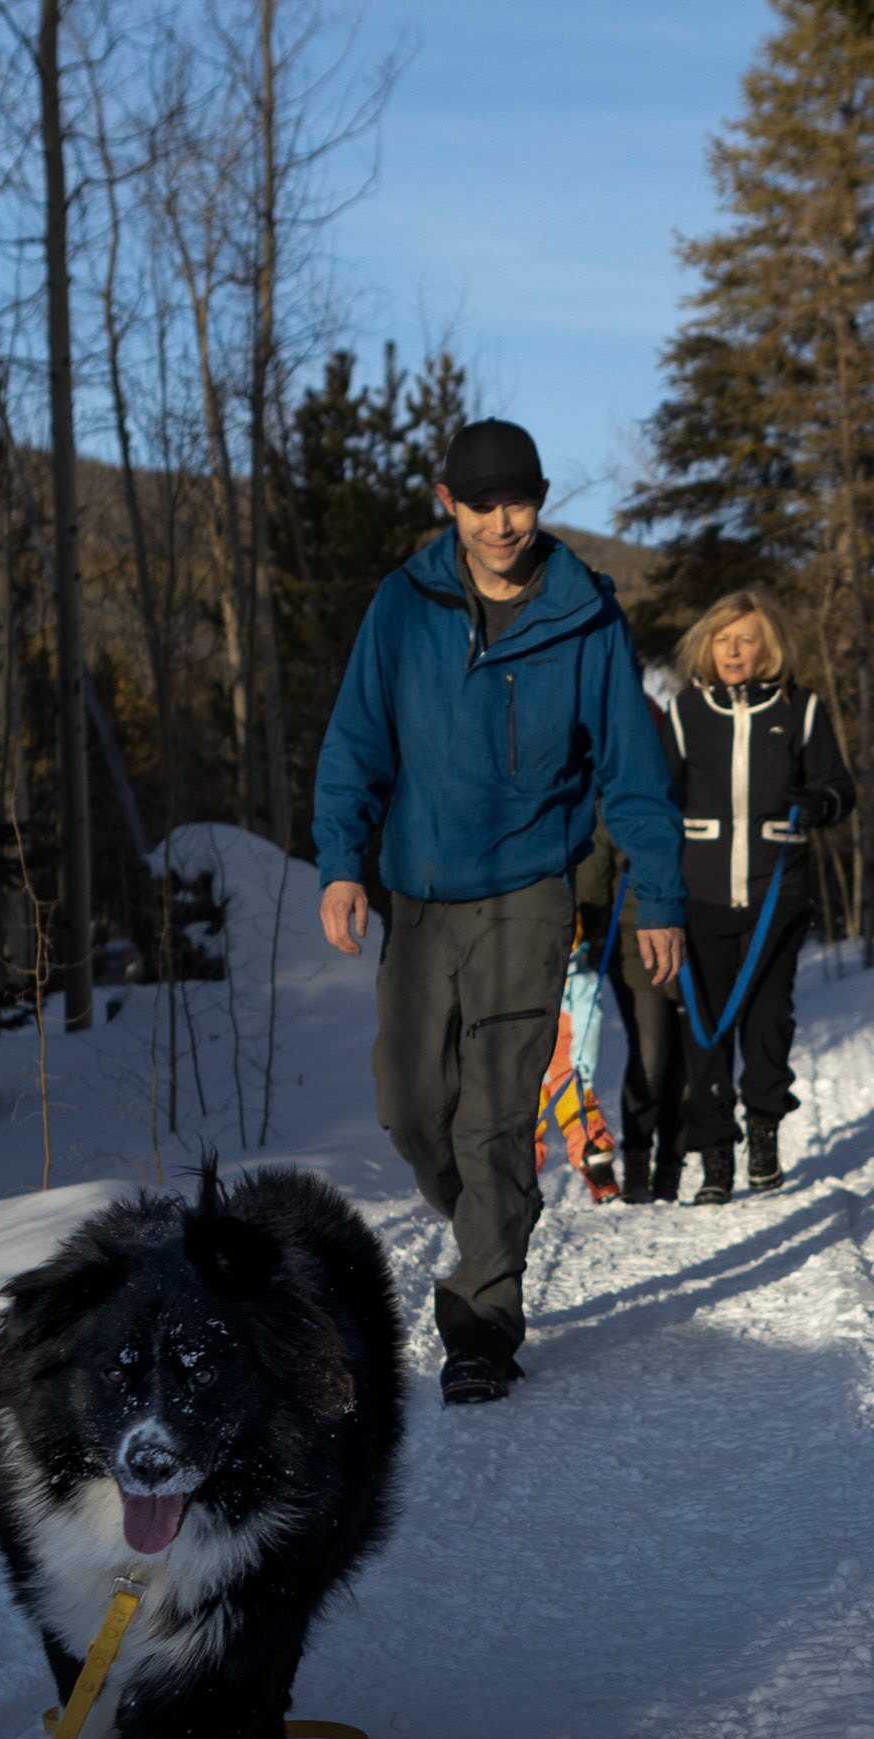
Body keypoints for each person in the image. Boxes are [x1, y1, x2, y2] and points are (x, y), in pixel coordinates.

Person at [313, 417, 686, 1405]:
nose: (503, 523)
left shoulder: (586, 616)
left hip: (530, 892)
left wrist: (656, 890)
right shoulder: (404, 605)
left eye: (519, 501)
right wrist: (342, 863)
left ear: (542, 498)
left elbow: (633, 770)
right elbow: (357, 739)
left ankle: (482, 1319)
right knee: (407, 1101)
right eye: (482, 504)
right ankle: (492, 1217)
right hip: (421, 894)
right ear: (450, 504)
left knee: (496, 1112)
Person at [661, 589, 855, 1204]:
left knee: (769, 1024)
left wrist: (818, 802)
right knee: (705, 1029)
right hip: (702, 896)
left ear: (768, 646)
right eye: (723, 639)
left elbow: (839, 789)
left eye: (746, 639)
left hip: (777, 893)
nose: (734, 650)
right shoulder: (686, 713)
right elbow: (658, 800)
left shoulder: (801, 709)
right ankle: (716, 1158)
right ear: (707, 646)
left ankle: (764, 1134)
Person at [575, 811, 686, 1202]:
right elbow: (595, 865)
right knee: (651, 1057)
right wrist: (590, 928)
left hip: (697, 931)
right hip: (634, 938)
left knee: (688, 1061)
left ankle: (672, 1168)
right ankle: (638, 1163)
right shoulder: (625, 779)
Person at [534, 921, 620, 1204]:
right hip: (529, 1065)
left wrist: (582, 1067)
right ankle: (516, 1175)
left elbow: (590, 1024)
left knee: (581, 1116)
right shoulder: (523, 978)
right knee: (522, 1121)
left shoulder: (580, 982)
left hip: (566, 1067)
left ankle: (598, 1167)